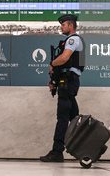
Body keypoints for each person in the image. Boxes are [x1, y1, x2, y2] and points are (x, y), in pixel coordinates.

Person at [40, 14, 85, 162]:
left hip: (68, 83)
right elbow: (66, 65)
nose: (61, 27)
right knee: (74, 118)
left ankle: (57, 151)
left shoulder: (73, 39)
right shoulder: (69, 40)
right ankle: (86, 149)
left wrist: (52, 64)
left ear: (71, 26)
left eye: (63, 25)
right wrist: (54, 80)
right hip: (66, 82)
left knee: (62, 117)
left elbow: (65, 59)